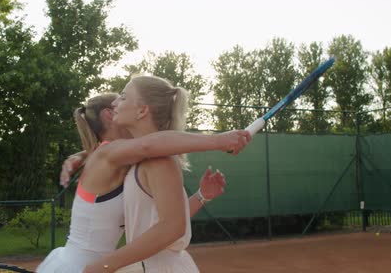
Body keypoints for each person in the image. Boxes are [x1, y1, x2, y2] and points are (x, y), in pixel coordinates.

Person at [37, 91, 251, 273]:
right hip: (86, 267)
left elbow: (168, 223)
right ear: (109, 115)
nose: (117, 103)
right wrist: (217, 140)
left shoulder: (121, 161)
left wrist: (202, 196)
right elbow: (147, 145)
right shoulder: (110, 154)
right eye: (118, 99)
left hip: (92, 265)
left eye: (122, 98)